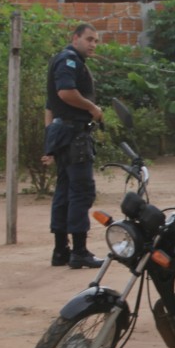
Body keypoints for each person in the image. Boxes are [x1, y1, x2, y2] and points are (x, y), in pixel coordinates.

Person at [43, 23, 104, 269]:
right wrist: (92, 108)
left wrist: (48, 141)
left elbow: (49, 106)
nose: (93, 44)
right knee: (81, 191)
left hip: (61, 132)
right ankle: (79, 252)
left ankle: (61, 251)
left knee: (65, 191)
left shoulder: (64, 60)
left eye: (96, 41)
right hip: (73, 134)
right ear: (75, 38)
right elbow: (65, 93)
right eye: (89, 39)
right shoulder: (69, 60)